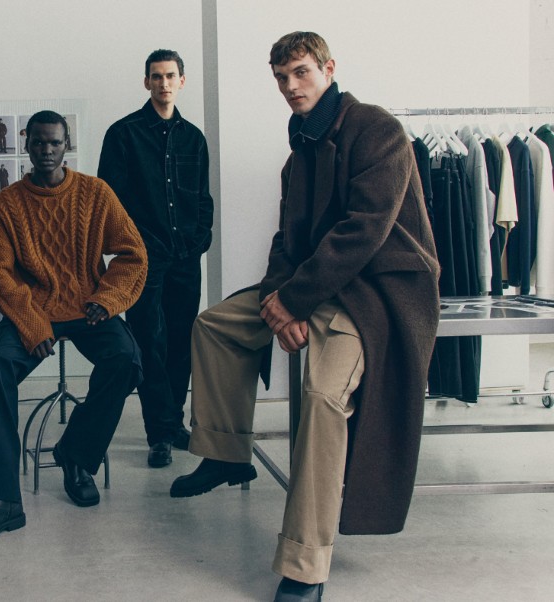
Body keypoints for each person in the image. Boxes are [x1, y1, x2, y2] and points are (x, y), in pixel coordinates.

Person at [169, 32, 439, 601]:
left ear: (328, 69)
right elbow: (286, 241)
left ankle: (305, 565)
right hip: (317, 285)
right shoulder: (299, 154)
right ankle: (225, 454)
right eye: (281, 78)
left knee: (322, 396)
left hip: (376, 293)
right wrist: (276, 298)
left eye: (300, 73)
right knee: (214, 326)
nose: (291, 86)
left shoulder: (377, 130)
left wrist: (293, 301)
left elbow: (364, 231)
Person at [0, 111, 147, 547]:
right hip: (34, 310)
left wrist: (107, 299)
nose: (46, 150)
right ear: (27, 145)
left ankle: (76, 455)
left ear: (66, 145)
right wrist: (32, 322)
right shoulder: (9, 203)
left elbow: (133, 254)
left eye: (54, 143)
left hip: (87, 306)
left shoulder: (96, 193)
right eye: (38, 142)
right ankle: (2, 500)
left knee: (126, 359)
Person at [98, 49, 214, 468]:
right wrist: (134, 246)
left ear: (182, 81)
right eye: (156, 76)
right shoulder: (123, 134)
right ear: (146, 82)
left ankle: (173, 421)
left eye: (170, 76)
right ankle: (158, 433)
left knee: (181, 341)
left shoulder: (194, 138)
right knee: (149, 341)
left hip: (185, 256)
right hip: (143, 259)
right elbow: (108, 202)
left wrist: (199, 239)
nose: (164, 83)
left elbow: (203, 198)